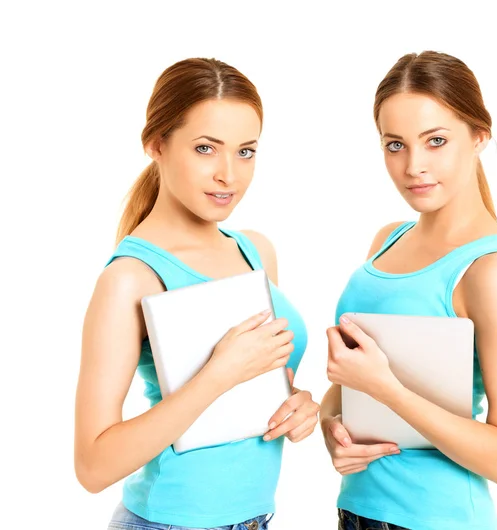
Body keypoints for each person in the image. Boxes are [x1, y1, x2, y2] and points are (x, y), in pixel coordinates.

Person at [74, 57, 319, 530]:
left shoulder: (256, 253)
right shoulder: (131, 277)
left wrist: (296, 405)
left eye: (246, 151)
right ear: (156, 144)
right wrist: (216, 374)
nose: (230, 174)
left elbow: (259, 389)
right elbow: (92, 466)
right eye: (206, 148)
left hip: (256, 519)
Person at [320, 51, 497, 530]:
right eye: (395, 145)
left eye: (435, 141)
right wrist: (332, 428)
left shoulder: (489, 271)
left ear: (479, 136)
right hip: (357, 514)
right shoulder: (387, 240)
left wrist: (387, 390)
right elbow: (348, 387)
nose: (414, 165)